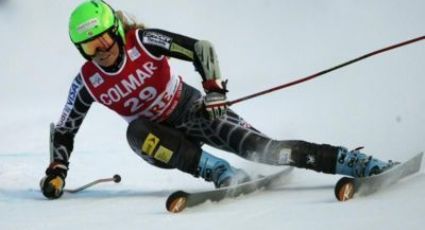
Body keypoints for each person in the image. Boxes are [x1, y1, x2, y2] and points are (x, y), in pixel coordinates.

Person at [40, 0, 394, 199]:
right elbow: (66, 128)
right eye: (88, 47)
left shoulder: (144, 41)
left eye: (102, 40)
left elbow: (200, 49)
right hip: (159, 139)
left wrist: (213, 90)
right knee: (137, 133)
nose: (99, 51)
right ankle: (222, 174)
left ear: (115, 30)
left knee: (267, 149)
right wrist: (57, 170)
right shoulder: (87, 81)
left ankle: (356, 163)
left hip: (194, 110)